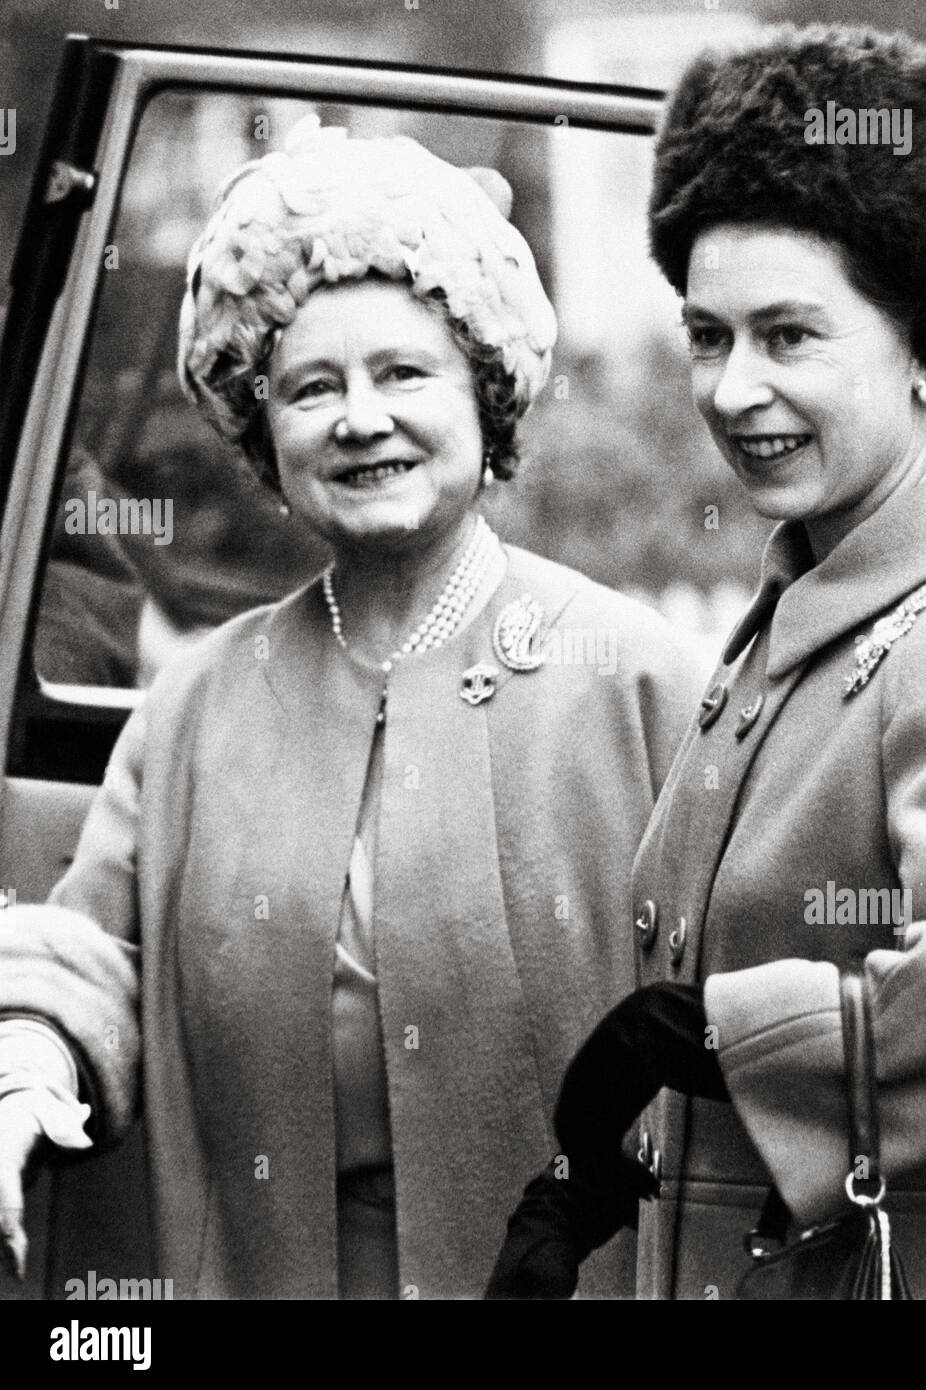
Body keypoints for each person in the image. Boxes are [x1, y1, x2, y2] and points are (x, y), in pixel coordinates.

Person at [0, 117, 705, 1300]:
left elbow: (750, 988)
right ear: (261, 432)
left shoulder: (635, 677)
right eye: (313, 387)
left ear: (487, 399)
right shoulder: (195, 705)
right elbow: (88, 945)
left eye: (404, 373)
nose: (359, 418)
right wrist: (26, 1057)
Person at [488, 24, 926, 1301]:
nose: (731, 390)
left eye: (789, 336)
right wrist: (596, 1181)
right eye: (708, 335)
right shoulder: (818, 595)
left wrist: (697, 1032)